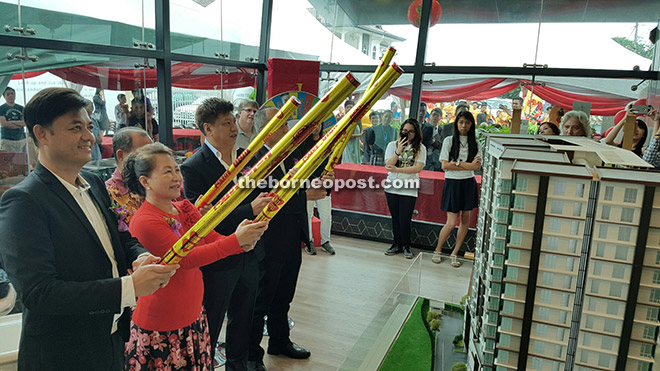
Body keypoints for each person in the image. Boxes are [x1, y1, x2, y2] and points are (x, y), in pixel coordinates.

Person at [0, 87, 178, 370]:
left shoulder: (94, 183)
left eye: (89, 126)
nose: (88, 136)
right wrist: (128, 288)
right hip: (62, 353)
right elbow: (39, 293)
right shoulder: (23, 201)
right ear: (42, 134)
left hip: (110, 339)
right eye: (75, 128)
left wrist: (139, 255)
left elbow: (120, 236)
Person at [123, 142, 268, 370]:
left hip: (193, 315)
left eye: (177, 169)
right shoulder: (145, 221)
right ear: (145, 182)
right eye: (167, 171)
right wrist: (236, 241)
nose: (176, 177)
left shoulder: (184, 208)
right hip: (161, 323)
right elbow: (185, 259)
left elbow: (211, 237)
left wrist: (243, 242)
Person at [180, 98, 274, 369]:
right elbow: (200, 219)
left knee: (245, 316)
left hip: (251, 250)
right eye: (226, 123)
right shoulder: (193, 167)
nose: (234, 128)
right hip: (219, 257)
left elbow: (260, 194)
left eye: (234, 121)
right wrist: (249, 208)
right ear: (208, 129)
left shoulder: (248, 157)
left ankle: (238, 365)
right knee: (212, 319)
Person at [247, 107, 317, 371]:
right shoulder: (256, 160)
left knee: (284, 294)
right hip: (269, 238)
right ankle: (252, 354)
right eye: (282, 126)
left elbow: (311, 176)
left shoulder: (290, 154)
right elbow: (266, 199)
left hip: (292, 234)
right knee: (261, 299)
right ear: (266, 131)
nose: (287, 130)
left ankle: (279, 341)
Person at [433, 111, 482, 267]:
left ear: (471, 125)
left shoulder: (476, 143)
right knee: (451, 222)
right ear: (456, 123)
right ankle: (438, 250)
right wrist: (465, 165)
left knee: (465, 221)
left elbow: (477, 166)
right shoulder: (449, 141)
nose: (464, 126)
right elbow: (445, 165)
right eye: (461, 122)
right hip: (452, 183)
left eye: (467, 123)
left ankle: (455, 253)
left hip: (468, 182)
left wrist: (458, 163)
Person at [383, 118, 426, 259]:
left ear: (416, 133)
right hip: (392, 185)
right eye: (405, 131)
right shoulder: (392, 145)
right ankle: (396, 244)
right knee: (395, 218)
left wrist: (398, 169)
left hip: (409, 186)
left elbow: (417, 168)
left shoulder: (420, 148)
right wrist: (398, 151)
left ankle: (406, 246)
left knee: (405, 218)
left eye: (411, 132)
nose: (407, 134)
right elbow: (388, 165)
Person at [105, 127, 154, 225]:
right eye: (144, 154)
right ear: (121, 156)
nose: (151, 160)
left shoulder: (153, 185)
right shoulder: (108, 194)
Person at [0, 86, 26, 152]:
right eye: (8, 94)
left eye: (12, 94)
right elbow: (4, 124)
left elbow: (24, 123)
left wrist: (11, 122)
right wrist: (18, 124)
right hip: (7, 140)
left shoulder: (21, 108)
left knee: (21, 161)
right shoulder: (1, 108)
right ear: (4, 96)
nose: (10, 96)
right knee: (8, 161)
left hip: (21, 139)